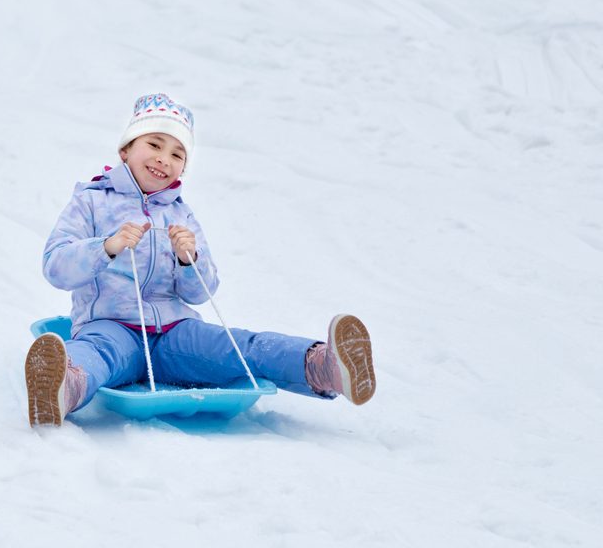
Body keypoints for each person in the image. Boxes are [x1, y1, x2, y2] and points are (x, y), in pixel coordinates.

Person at [25, 93, 376, 426]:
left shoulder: (182, 216)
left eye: (178, 154)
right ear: (125, 150)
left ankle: (323, 366)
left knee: (241, 346)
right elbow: (56, 266)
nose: (165, 158)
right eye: (154, 144)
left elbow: (201, 292)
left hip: (174, 334)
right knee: (95, 355)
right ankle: (61, 388)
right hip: (110, 327)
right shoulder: (92, 202)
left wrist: (187, 259)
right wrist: (107, 246)